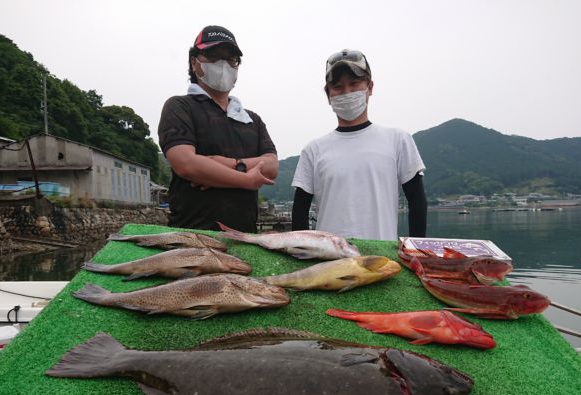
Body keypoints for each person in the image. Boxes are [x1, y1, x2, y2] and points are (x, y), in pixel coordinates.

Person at [291, 49, 427, 240]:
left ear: (370, 87)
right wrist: (301, 252)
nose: (347, 92)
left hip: (382, 255)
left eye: (354, 83)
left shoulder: (398, 140)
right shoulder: (313, 150)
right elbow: (299, 212)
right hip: (330, 255)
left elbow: (417, 201)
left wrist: (416, 250)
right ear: (328, 95)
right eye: (338, 87)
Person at [158, 25, 278, 232]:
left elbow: (271, 166)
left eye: (231, 59)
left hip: (245, 236)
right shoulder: (179, 107)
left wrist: (228, 165)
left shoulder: (252, 119)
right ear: (194, 62)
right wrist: (247, 180)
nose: (223, 64)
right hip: (192, 234)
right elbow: (186, 164)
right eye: (213, 56)